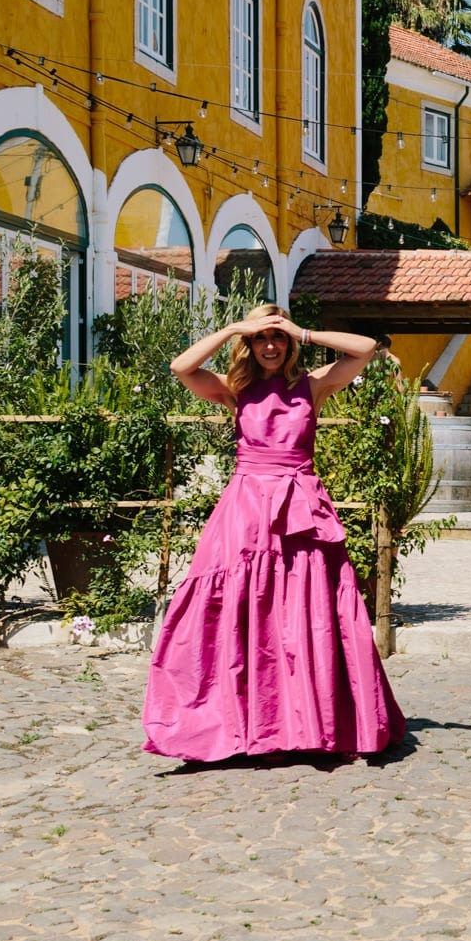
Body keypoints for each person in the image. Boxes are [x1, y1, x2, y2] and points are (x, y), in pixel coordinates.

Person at [141, 304, 406, 764]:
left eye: (277, 339)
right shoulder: (234, 390)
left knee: (306, 613)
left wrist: (302, 330)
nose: (269, 346)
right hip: (245, 510)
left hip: (300, 508)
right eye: (261, 339)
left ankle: (306, 724)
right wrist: (231, 328)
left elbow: (366, 349)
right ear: (249, 344)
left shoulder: (314, 384)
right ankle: (243, 725)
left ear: (288, 344)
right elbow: (181, 367)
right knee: (245, 610)